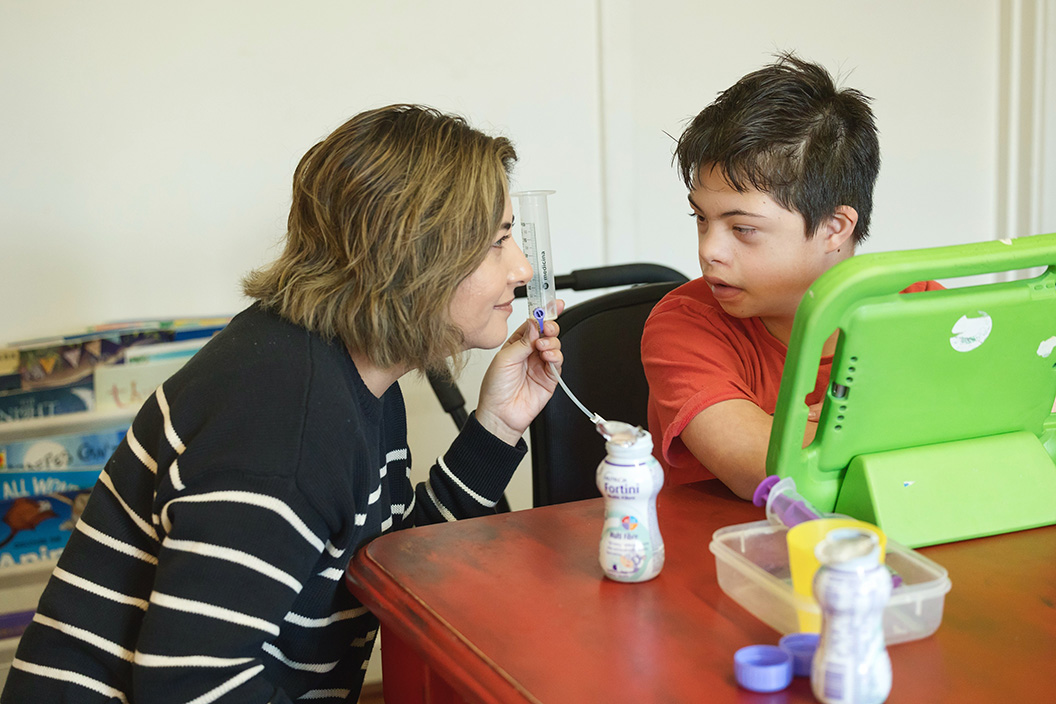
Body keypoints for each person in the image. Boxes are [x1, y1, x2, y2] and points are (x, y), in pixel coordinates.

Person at [2, 105, 563, 703]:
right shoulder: (284, 422)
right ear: (414, 254)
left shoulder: (347, 372)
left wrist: (497, 426)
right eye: (499, 241)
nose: (522, 269)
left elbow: (385, 568)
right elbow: (189, 687)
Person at [642, 54, 941, 500]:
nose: (708, 250)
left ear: (833, 228)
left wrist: (815, 431)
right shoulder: (683, 324)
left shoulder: (916, 304)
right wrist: (892, 421)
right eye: (701, 218)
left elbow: (1003, 428)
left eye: (743, 228)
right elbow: (772, 472)